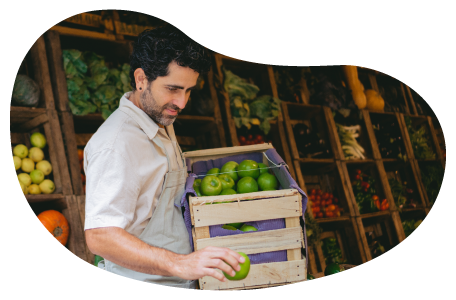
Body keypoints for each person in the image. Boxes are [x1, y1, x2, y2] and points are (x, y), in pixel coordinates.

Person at [84, 25, 244, 289]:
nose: (181, 102)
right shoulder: (116, 145)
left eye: (188, 90)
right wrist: (178, 263)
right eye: (173, 89)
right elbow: (101, 236)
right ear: (141, 79)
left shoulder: (159, 118)